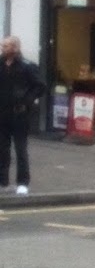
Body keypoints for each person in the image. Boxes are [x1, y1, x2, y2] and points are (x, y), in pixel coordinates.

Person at [0, 36, 47, 196]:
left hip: (20, 113)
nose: (3, 49)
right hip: (2, 113)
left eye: (6, 46)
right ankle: (3, 182)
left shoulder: (27, 66)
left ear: (15, 48)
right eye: (2, 46)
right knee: (2, 149)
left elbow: (40, 86)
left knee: (21, 149)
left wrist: (27, 100)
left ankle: (22, 183)